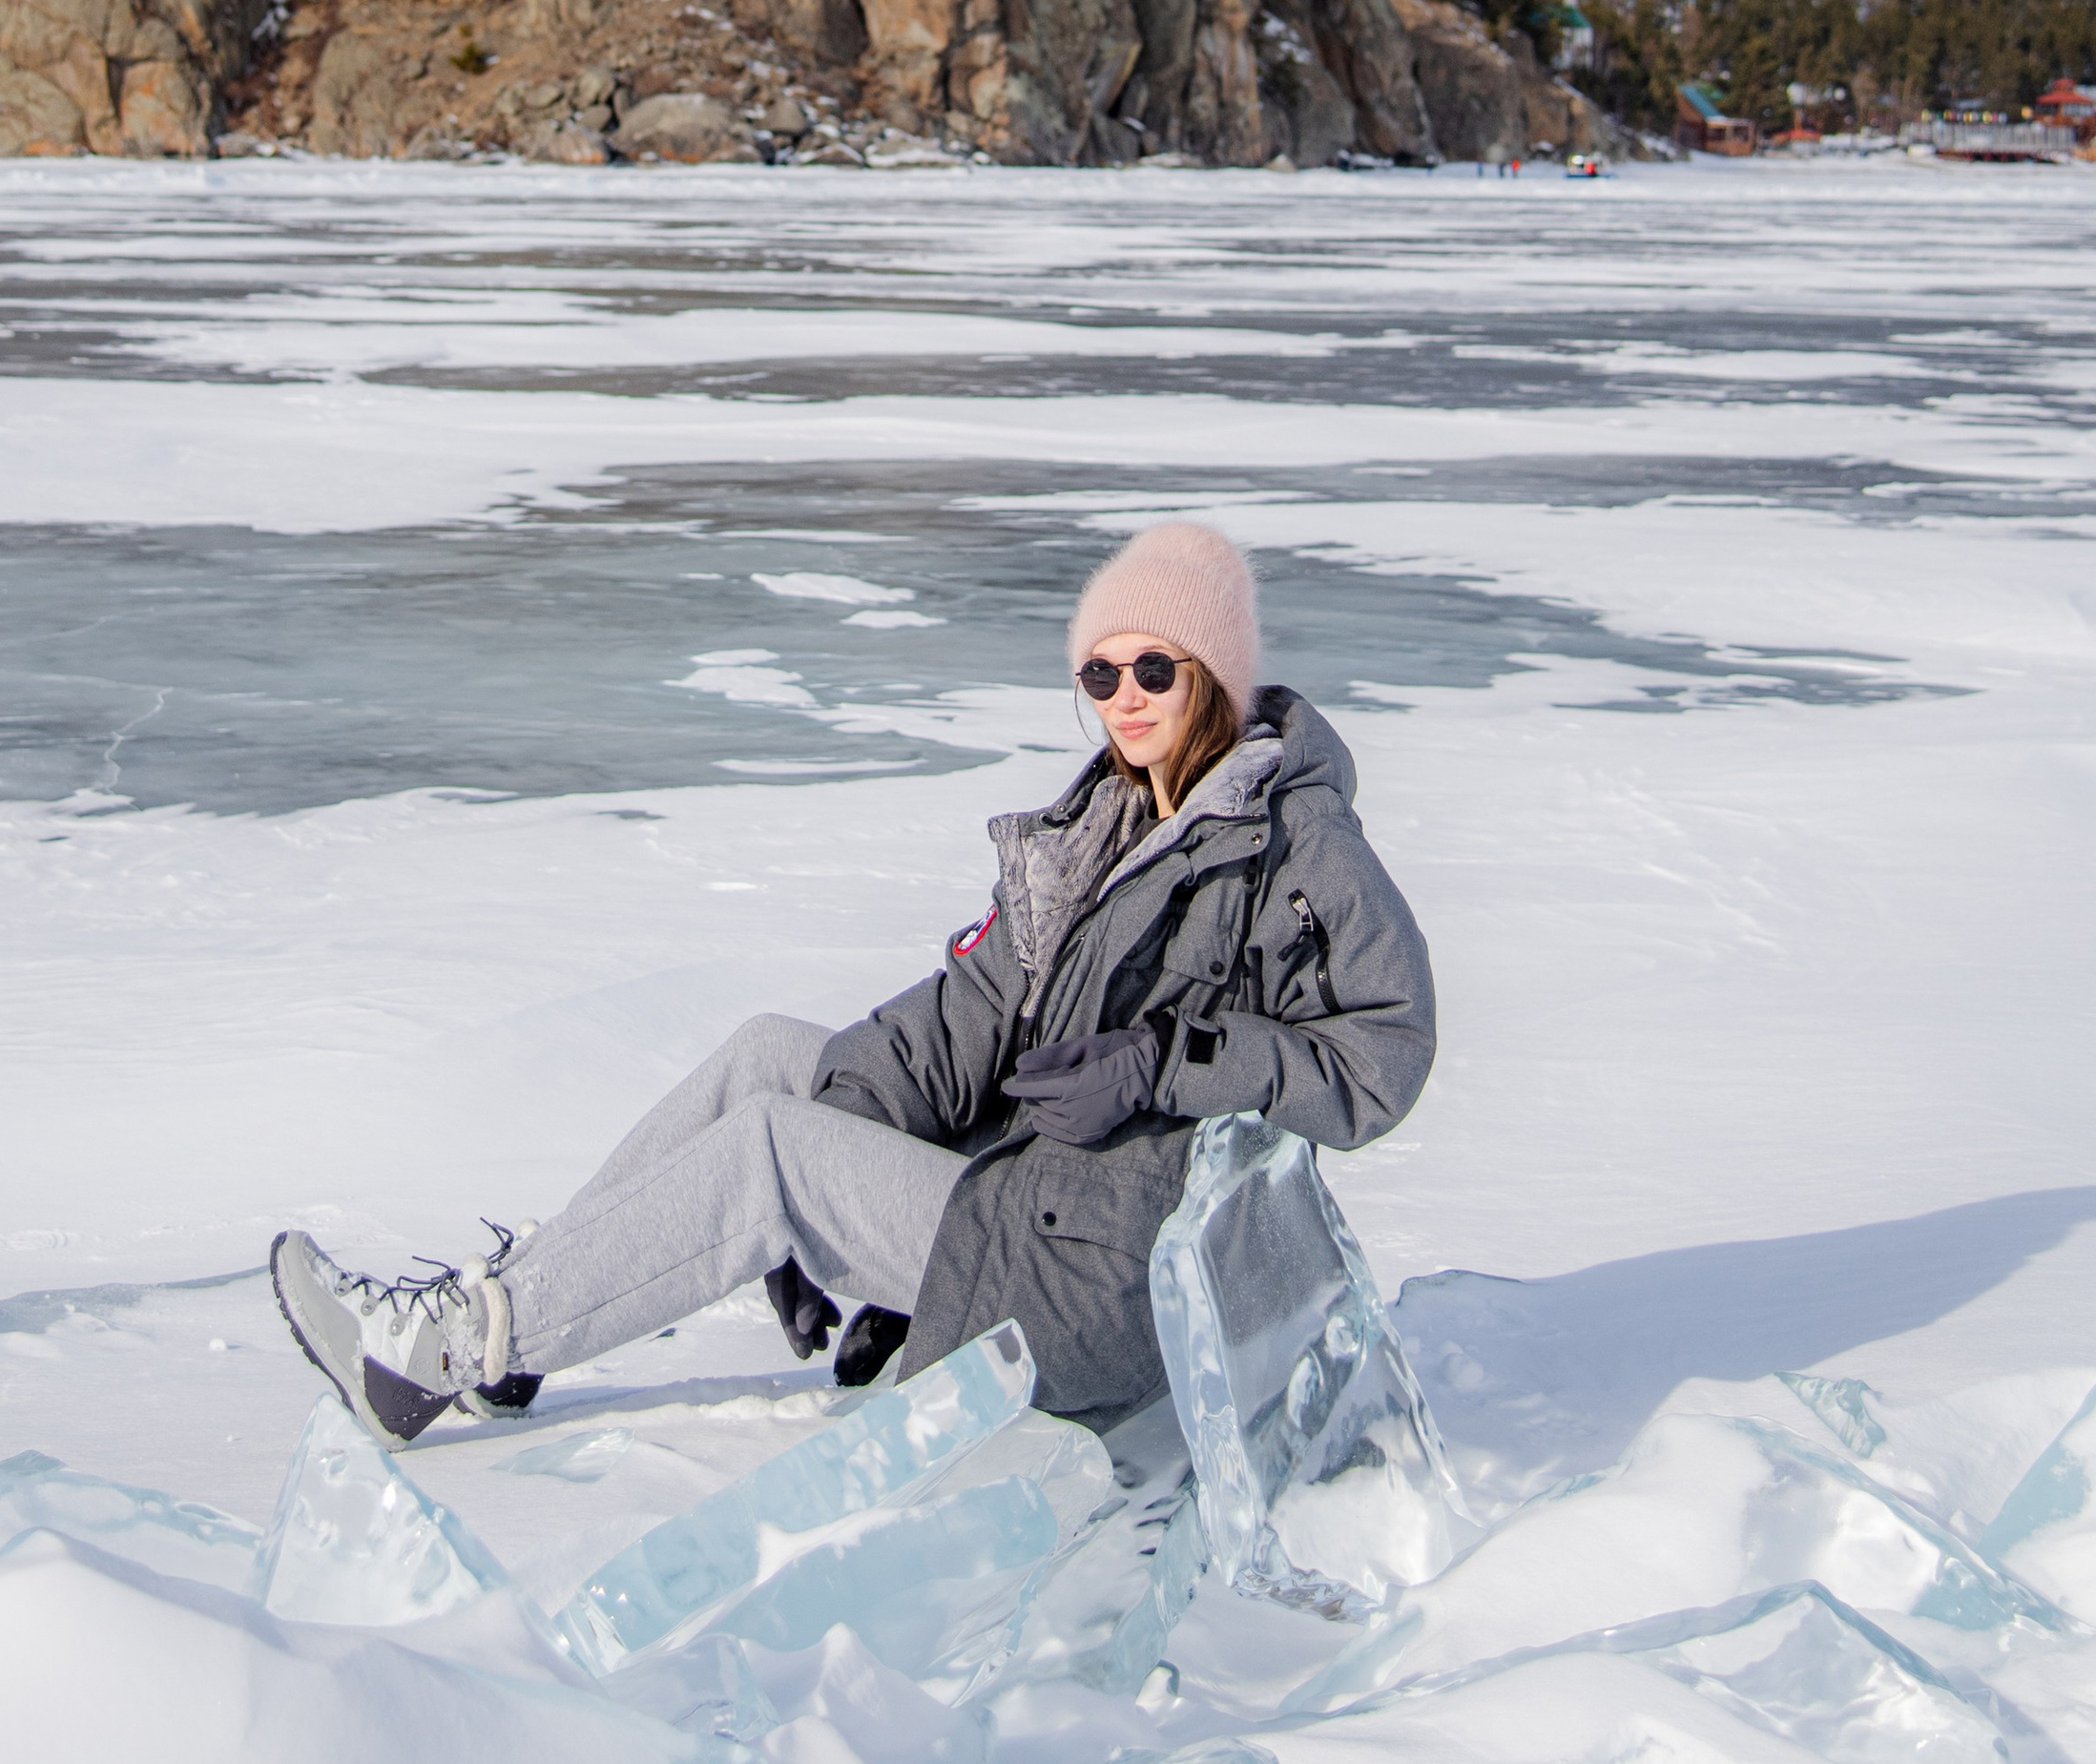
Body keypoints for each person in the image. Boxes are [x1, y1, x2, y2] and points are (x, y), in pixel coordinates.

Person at [271, 519, 1436, 1442]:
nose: (1120, 695)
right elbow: (965, 1024)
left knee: (773, 1149)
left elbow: (1383, 1053)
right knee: (771, 1056)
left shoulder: (1295, 839)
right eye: (1096, 670)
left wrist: (1161, 1064)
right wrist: (847, 1131)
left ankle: (444, 1349)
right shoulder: (1099, 826)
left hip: (1109, 1273)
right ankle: (521, 1316)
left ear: (1214, 675)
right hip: (1031, 1196)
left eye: (1150, 666)